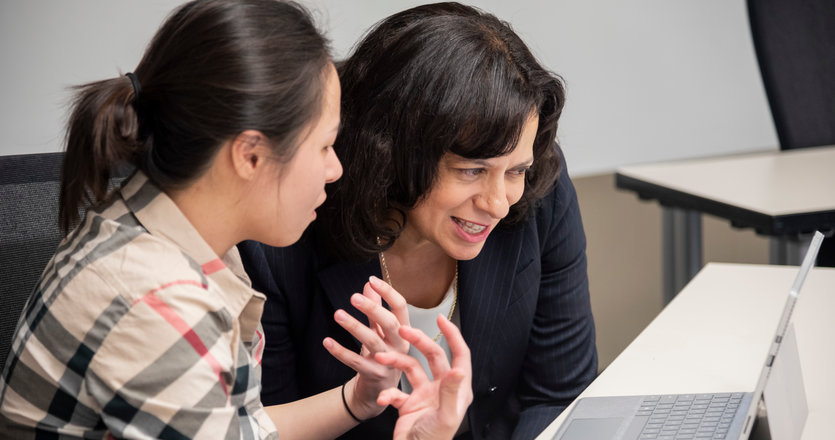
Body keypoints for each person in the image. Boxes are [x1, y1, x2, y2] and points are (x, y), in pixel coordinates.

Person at [0, 1, 471, 439]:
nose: (336, 170)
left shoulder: (177, 228)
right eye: (325, 146)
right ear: (250, 156)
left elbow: (234, 426)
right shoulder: (158, 304)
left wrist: (357, 400)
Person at [239, 2, 598, 439]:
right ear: (393, 153)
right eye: (472, 171)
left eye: (515, 171)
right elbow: (264, 428)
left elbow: (558, 396)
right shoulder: (284, 236)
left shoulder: (542, 187)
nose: (499, 203)